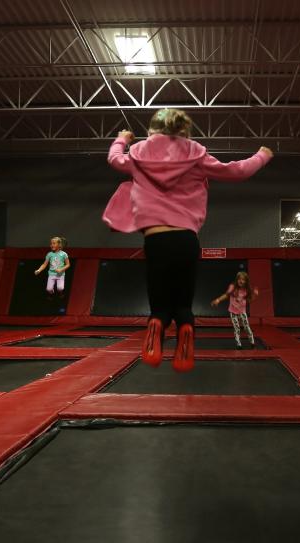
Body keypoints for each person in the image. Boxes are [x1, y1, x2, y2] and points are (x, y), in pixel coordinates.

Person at [104, 108, 272, 372]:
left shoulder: (138, 156)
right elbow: (236, 171)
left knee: (159, 306)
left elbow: (114, 159)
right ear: (185, 132)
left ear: (151, 131)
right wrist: (262, 156)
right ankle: (185, 334)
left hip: (155, 240)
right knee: (183, 303)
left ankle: (157, 326)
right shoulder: (196, 156)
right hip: (186, 240)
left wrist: (122, 138)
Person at [211, 271, 259, 349]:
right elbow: (226, 295)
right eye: (239, 279)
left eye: (243, 279)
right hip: (233, 312)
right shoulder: (233, 287)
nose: (241, 281)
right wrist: (218, 300)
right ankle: (238, 344)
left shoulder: (246, 289)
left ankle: (252, 342)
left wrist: (255, 296)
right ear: (237, 280)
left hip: (242, 312)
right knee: (237, 328)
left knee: (247, 327)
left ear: (246, 281)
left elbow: (249, 300)